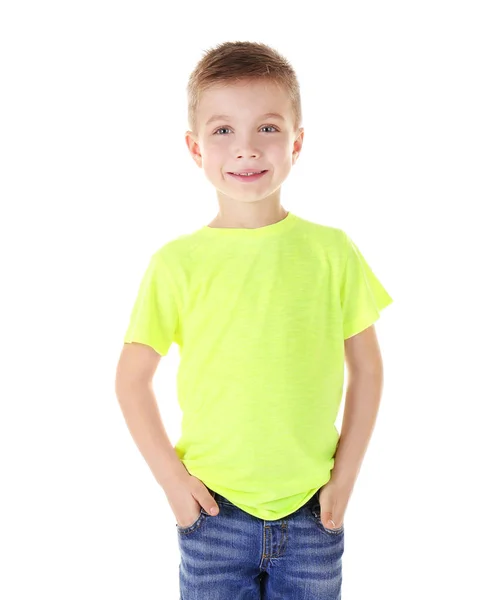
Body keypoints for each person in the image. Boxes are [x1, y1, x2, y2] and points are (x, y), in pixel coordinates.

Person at [115, 40, 393, 600]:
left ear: (298, 141)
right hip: (213, 512)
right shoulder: (176, 263)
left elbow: (368, 370)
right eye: (223, 131)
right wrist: (175, 486)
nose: (246, 149)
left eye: (267, 128)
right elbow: (130, 380)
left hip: (315, 510)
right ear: (195, 148)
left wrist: (345, 477)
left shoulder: (331, 251)